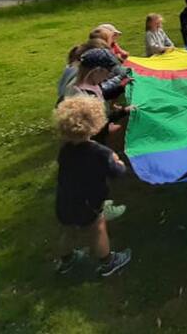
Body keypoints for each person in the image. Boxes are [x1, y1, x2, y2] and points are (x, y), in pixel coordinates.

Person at [54, 96, 131, 277]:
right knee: (98, 228)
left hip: (64, 200)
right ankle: (108, 263)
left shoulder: (65, 149)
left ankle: (66, 260)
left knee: (68, 230)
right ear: (95, 123)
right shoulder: (100, 152)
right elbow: (117, 172)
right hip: (88, 203)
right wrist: (118, 162)